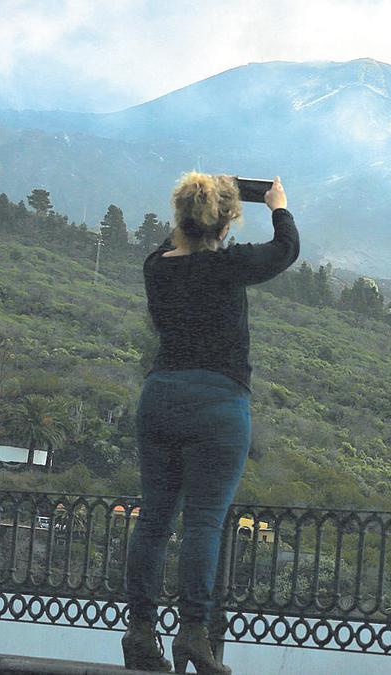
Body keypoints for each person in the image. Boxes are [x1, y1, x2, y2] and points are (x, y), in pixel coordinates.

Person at [121, 173, 299, 673]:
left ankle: (139, 634)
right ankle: (193, 636)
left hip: (160, 396)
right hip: (218, 403)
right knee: (203, 521)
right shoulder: (227, 266)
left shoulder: (156, 266)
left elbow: (179, 238)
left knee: (154, 520)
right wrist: (277, 205)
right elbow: (286, 249)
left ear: (179, 217)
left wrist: (207, 196)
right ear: (224, 225)